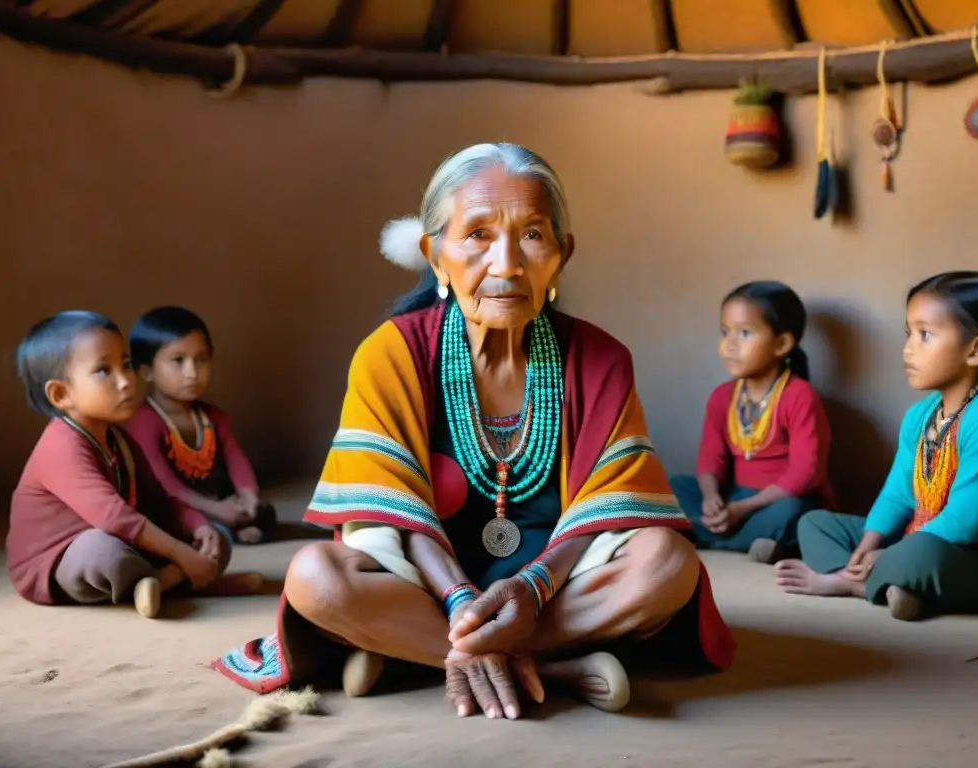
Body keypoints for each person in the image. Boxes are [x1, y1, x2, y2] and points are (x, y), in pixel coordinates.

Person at [212, 143, 735, 717]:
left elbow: (610, 505)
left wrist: (532, 590)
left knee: (667, 562)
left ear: (562, 255)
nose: (507, 262)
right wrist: (461, 598)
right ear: (435, 256)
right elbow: (389, 512)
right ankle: (546, 665)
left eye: (533, 234)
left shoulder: (599, 357)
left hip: (554, 584)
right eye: (478, 235)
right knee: (317, 579)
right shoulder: (391, 353)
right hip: (426, 585)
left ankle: (419, 653)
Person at [776, 271, 978, 620]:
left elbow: (966, 522)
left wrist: (889, 554)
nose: (908, 347)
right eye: (909, 333)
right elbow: (899, 494)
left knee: (920, 554)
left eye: (925, 335)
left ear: (975, 350)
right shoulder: (921, 415)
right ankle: (894, 587)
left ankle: (852, 583)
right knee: (814, 524)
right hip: (918, 534)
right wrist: (869, 544)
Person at [7, 311, 262, 619]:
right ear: (61, 394)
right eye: (104, 370)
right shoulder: (60, 445)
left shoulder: (119, 440)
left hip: (125, 539)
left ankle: (156, 584)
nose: (126, 381)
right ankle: (173, 580)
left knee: (216, 539)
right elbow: (114, 516)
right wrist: (181, 553)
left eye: (125, 365)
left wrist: (198, 525)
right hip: (61, 558)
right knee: (102, 552)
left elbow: (160, 502)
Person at [670, 281, 834, 564]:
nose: (729, 344)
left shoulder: (799, 396)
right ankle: (752, 543)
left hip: (777, 500)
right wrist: (711, 498)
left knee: (796, 514)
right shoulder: (723, 397)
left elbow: (806, 473)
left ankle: (707, 535)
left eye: (745, 333)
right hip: (735, 497)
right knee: (674, 487)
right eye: (725, 332)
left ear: (781, 344)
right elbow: (710, 459)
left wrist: (744, 508)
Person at [126, 306, 277, 544]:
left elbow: (235, 459)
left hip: (214, 499)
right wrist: (215, 510)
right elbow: (165, 483)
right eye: (178, 361)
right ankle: (224, 528)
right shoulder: (144, 422)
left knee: (263, 511)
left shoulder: (213, 417)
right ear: (146, 371)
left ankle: (235, 521)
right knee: (179, 523)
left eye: (201, 360)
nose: (192, 373)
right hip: (174, 504)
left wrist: (249, 495)